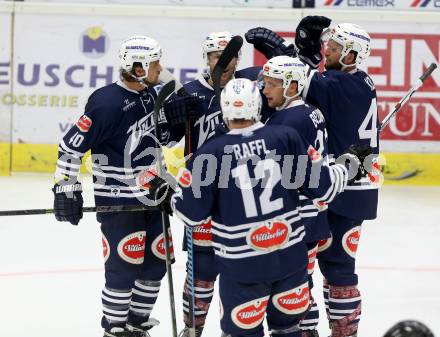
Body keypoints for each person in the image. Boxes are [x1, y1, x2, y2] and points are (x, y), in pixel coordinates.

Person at [148, 78, 372, 337]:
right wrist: (350, 164)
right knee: (288, 330)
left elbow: (190, 213)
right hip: (291, 263)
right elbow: (324, 187)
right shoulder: (286, 138)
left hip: (243, 269)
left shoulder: (211, 154)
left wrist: (168, 194)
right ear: (257, 105)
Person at [52, 35, 175, 337]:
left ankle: (137, 324)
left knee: (155, 267)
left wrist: (175, 124)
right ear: (138, 67)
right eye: (155, 62)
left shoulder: (151, 95)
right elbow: (70, 148)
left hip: (153, 195)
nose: (161, 67)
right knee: (122, 272)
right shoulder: (105, 103)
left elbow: (162, 141)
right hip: (119, 202)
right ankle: (115, 329)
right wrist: (67, 188)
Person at [162, 31, 262, 337]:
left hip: (241, 191)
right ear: (207, 59)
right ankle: (193, 328)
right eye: (217, 56)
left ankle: (236, 327)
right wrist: (170, 117)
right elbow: (166, 139)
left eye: (229, 56)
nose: (224, 61)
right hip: (203, 190)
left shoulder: (249, 88)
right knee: (201, 269)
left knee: (240, 267)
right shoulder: (190, 92)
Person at [295, 18, 380, 337]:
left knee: (312, 262)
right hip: (356, 184)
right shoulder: (361, 81)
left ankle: (310, 329)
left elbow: (298, 81)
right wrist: (306, 52)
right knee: (335, 265)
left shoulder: (339, 83)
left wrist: (290, 49)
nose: (326, 49)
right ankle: (341, 331)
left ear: (352, 55)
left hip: (340, 187)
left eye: (334, 47)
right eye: (327, 44)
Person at [261, 55, 331, 334]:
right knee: (303, 281)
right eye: (264, 83)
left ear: (292, 86)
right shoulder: (310, 112)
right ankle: (308, 330)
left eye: (272, 84)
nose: (265, 90)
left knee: (292, 285)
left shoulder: (289, 121)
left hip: (297, 218)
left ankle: (302, 331)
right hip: (313, 214)